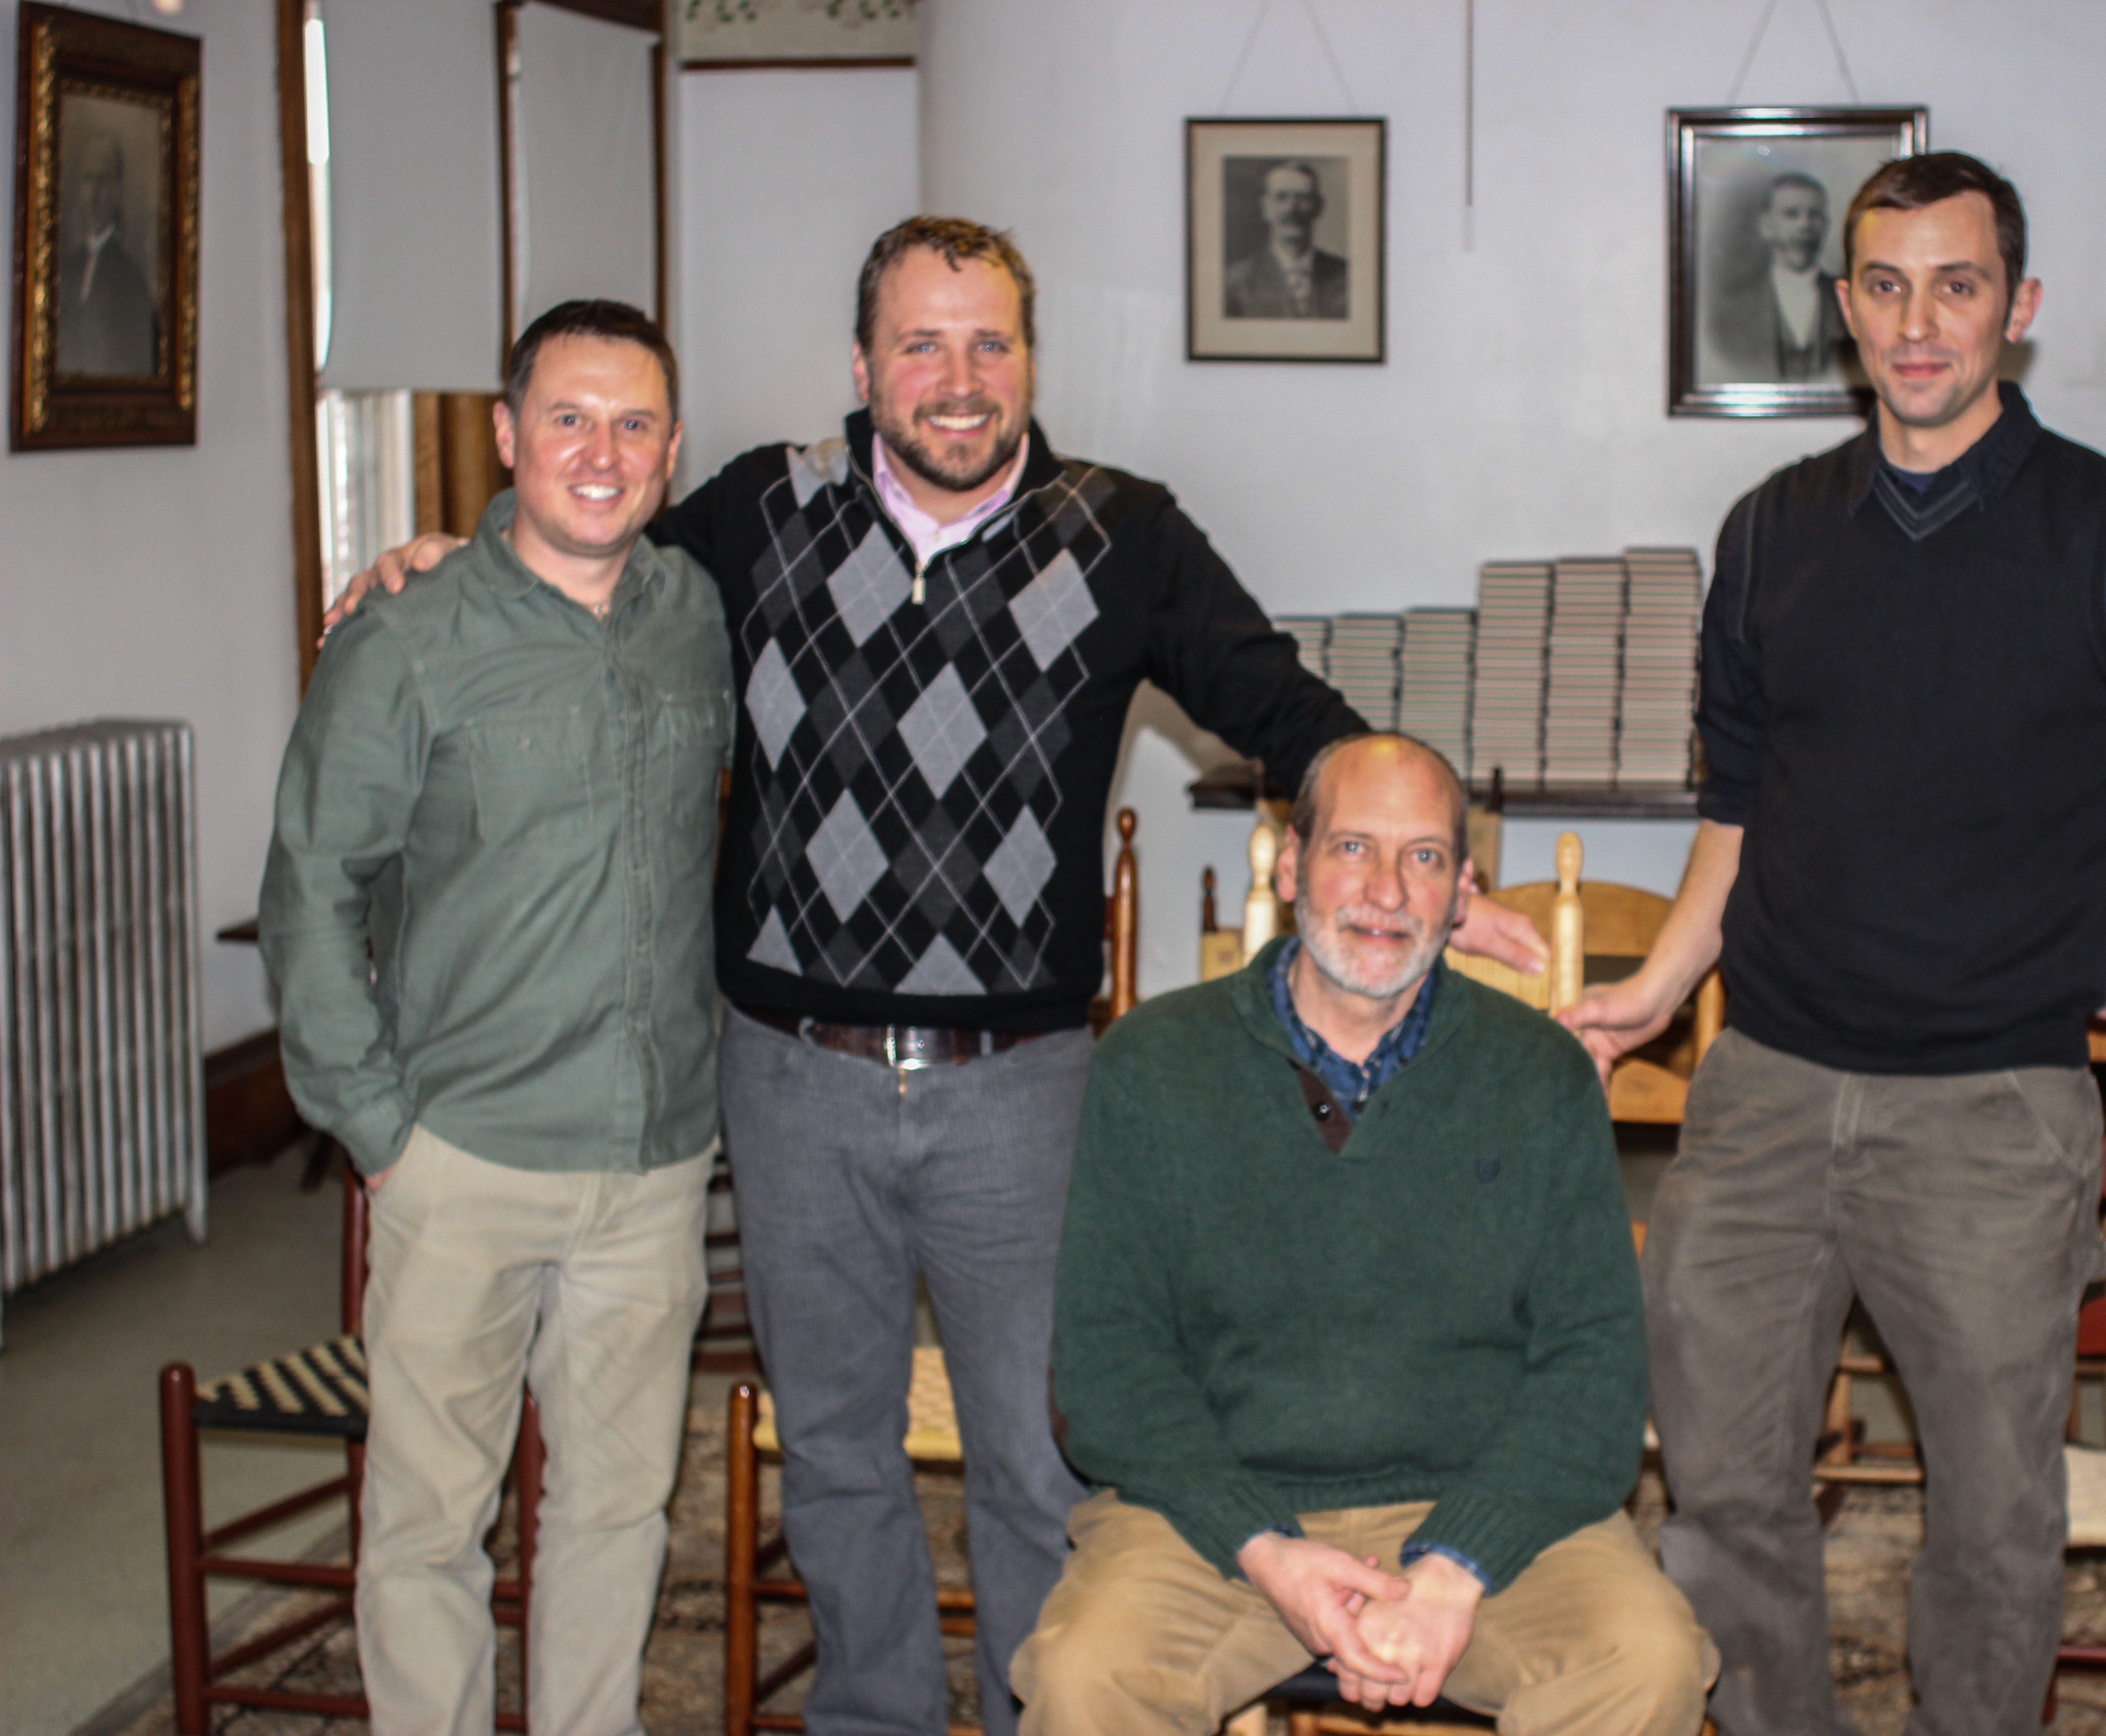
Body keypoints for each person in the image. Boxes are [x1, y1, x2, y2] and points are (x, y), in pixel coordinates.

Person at [334, 216, 1543, 1736]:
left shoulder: (1125, 534)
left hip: (1020, 1095)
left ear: (1030, 359)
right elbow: (589, 548)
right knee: (835, 1454)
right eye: (921, 343)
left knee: (1039, 1458)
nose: (958, 379)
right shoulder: (762, 510)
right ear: (863, 365)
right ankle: (876, 1715)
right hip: (791, 1079)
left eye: (990, 343)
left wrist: (1418, 864)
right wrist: (449, 550)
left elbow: (1283, 708)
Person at [1559, 153, 2106, 1736]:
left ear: (2018, 308)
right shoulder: (1770, 532)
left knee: (1994, 1528)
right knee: (1720, 1502)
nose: (1919, 323)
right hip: (1764, 1097)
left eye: (1957, 286)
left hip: (1993, 1120)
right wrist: (1667, 983)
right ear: (1845, 308)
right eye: (1886, 287)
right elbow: (1741, 794)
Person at [1014, 733, 1717, 1735]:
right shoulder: (1152, 1066)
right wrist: (1265, 1548)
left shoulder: (1540, 1077)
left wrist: (1455, 1568)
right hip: (1216, 1523)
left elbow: (1594, 1370)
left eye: (1423, 856)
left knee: (1646, 1666)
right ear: (1291, 864)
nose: (1386, 890)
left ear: (1462, 893)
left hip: (1484, 1514)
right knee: (1086, 1681)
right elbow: (1108, 1365)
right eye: (1353, 848)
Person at [262, 299, 728, 1736]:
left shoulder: (696, 615)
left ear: (671, 447)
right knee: (426, 1527)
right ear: (508, 432)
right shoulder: (408, 636)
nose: (602, 453)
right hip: (460, 1156)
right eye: (568, 419)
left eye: (634, 424)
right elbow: (311, 886)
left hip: (653, 1162)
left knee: (617, 1509)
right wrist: (376, 1128)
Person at [1711, 172, 1846, 382]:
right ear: (1766, 226)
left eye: (1814, 215)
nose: (1804, 225)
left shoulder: (1849, 300)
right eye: (1792, 214)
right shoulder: (1734, 307)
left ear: (1826, 226)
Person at [57, 125, 158, 377]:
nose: (93, 194)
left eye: (102, 181)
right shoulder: (66, 271)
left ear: (118, 191)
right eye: (87, 179)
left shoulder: (131, 281)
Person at [1223, 160, 1349, 319]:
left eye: (1303, 198)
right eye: (1281, 197)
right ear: (1266, 208)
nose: (1291, 209)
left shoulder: (1347, 277)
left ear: (1319, 207)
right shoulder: (1236, 283)